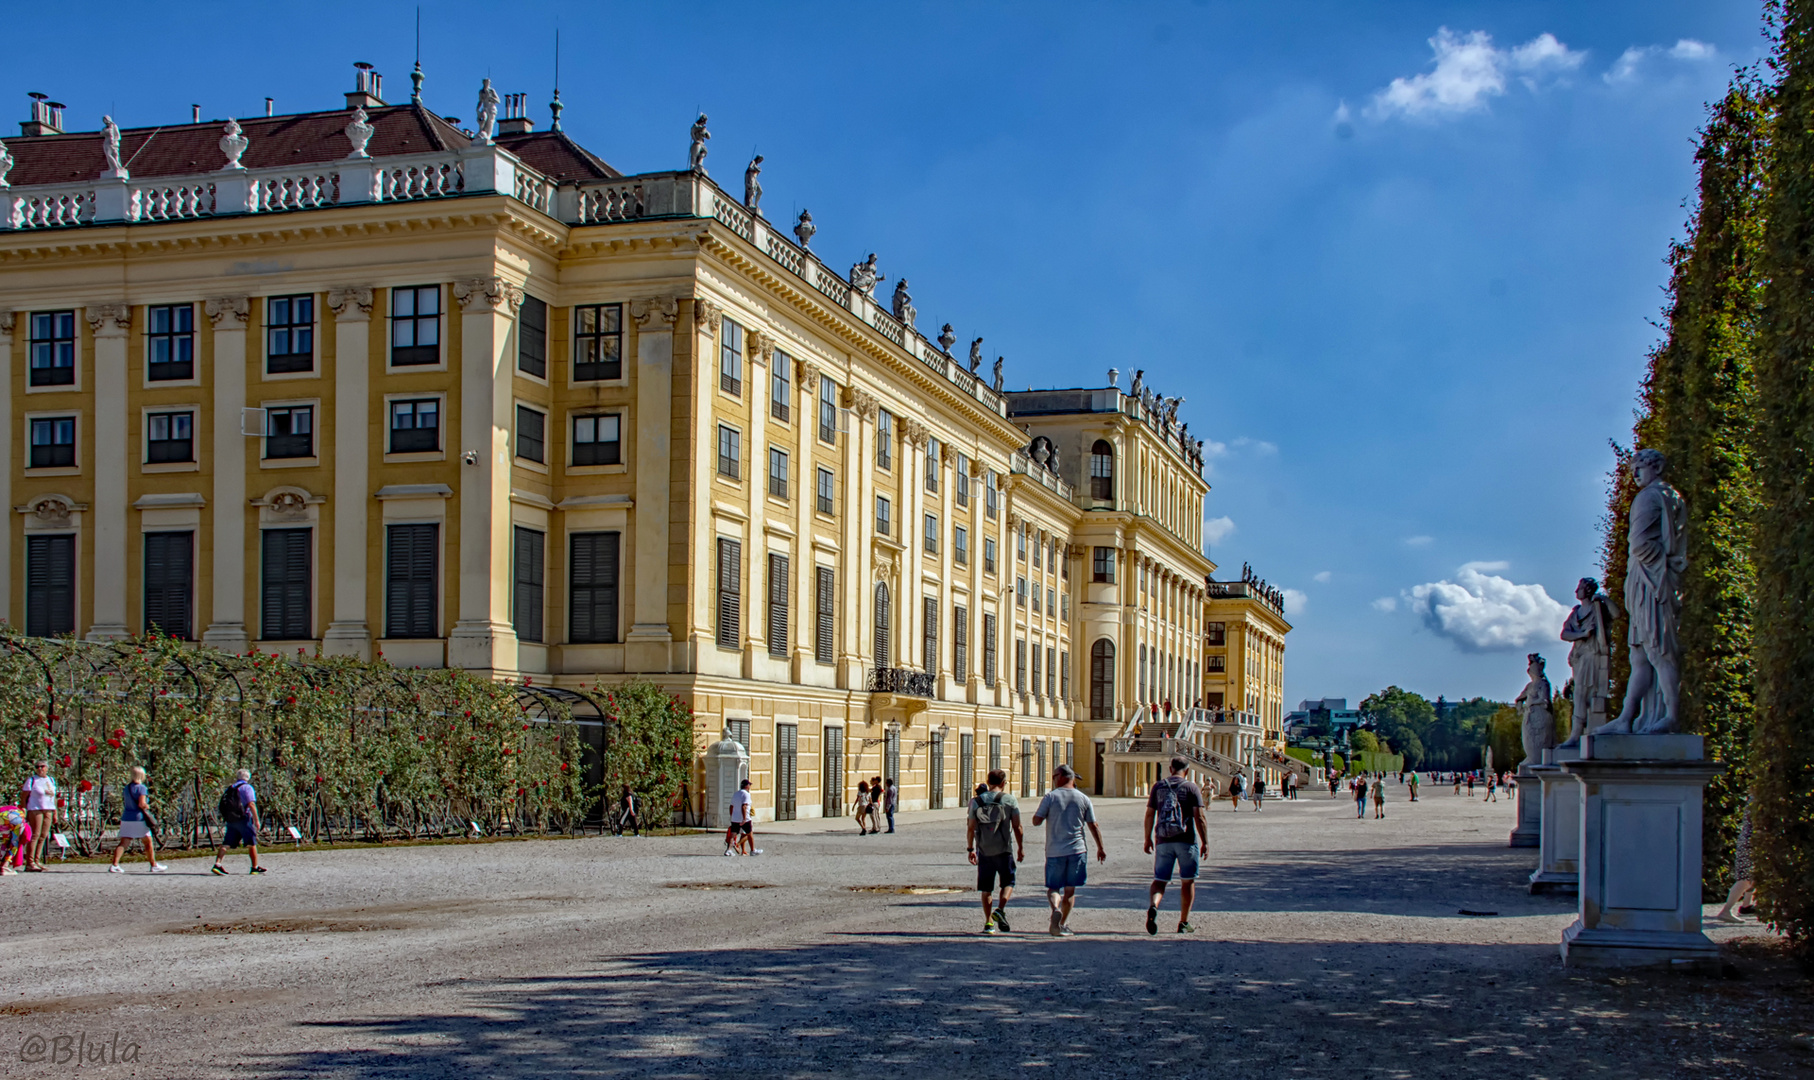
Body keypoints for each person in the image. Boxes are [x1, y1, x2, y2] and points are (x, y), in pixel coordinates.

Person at [1031, 764, 1107, 937]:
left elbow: (1036, 821)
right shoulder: (1083, 798)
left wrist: (1043, 816)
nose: (1053, 780)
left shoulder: (1050, 797)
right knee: (1070, 890)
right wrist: (1100, 847)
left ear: (1061, 777)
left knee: (1053, 887)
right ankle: (1062, 923)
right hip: (1077, 850)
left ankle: (1055, 908)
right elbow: (1093, 825)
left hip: (1054, 851)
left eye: (1054, 776)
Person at [1143, 757, 1208, 935]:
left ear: (1170, 768)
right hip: (1186, 840)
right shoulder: (1191, 787)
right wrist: (1205, 842)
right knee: (1187, 882)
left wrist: (1147, 838)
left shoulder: (1158, 786)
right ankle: (1183, 922)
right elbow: (1199, 817)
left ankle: (1154, 905)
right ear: (1187, 770)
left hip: (1163, 839)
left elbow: (1149, 814)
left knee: (1160, 880)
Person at [966, 769, 1024, 934]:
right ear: (1003, 783)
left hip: (984, 850)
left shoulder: (977, 801)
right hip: (1004, 849)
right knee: (1008, 882)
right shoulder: (1010, 800)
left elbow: (971, 827)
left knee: (986, 888)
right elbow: (1017, 827)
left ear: (988, 781)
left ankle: (988, 923)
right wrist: (1020, 847)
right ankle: (1000, 908)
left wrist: (971, 849)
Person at [109, 766, 165, 873]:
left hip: (127, 817)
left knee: (124, 842)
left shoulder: (127, 788)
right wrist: (147, 806)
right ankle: (153, 865)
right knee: (148, 842)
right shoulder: (141, 788)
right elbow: (142, 804)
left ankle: (115, 864)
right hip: (138, 818)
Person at [212, 769, 266, 875]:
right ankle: (254, 867)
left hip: (232, 819)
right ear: (248, 777)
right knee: (251, 842)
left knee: (227, 842)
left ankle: (217, 864)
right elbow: (251, 804)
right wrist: (256, 820)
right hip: (244, 818)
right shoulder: (247, 788)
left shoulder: (231, 788)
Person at [1715, 803, 1755, 923]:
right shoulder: (1759, 802)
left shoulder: (1752, 800)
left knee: (1749, 879)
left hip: (1748, 840)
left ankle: (1743, 906)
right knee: (1745, 879)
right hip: (1751, 841)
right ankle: (1726, 910)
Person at [20, 760, 57, 872]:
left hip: (48, 809)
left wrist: (55, 812)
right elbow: (24, 797)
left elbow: (53, 797)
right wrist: (24, 810)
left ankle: (37, 859)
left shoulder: (50, 780)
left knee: (43, 835)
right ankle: (29, 862)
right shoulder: (32, 780)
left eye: (42, 766)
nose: (40, 769)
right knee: (35, 835)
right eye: (37, 767)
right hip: (35, 809)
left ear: (47, 768)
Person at [727, 778, 759, 856]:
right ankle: (752, 850)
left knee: (733, 834)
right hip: (744, 818)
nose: (750, 787)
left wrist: (732, 816)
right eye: (749, 785)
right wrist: (744, 818)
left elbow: (731, 806)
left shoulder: (736, 794)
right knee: (749, 834)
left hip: (735, 818)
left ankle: (729, 850)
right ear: (747, 786)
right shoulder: (746, 794)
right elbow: (744, 806)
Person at [0, 805, 28, 874]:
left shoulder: (5, 809)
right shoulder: (21, 813)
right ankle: (4, 866)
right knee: (13, 843)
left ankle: (1, 864)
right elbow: (27, 835)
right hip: (16, 819)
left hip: (2, 818)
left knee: (5, 842)